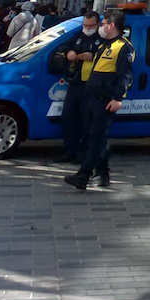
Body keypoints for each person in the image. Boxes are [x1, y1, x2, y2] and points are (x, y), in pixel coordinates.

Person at [63, 10, 132, 191]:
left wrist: (118, 98)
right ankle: (103, 174)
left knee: (96, 138)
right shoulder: (104, 45)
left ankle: (84, 174)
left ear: (111, 25)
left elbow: (125, 75)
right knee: (99, 137)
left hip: (105, 100)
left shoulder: (123, 47)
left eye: (102, 24)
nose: (100, 28)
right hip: (92, 98)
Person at [60, 11, 102, 163]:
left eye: (91, 26)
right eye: (85, 25)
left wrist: (93, 56)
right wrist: (69, 52)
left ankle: (83, 154)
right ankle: (69, 150)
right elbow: (63, 46)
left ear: (97, 25)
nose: (87, 28)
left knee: (87, 121)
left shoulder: (102, 39)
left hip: (91, 86)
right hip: (75, 83)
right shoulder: (78, 36)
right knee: (68, 117)